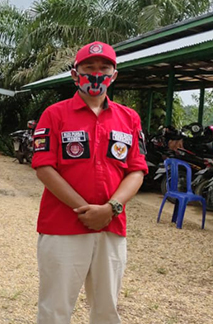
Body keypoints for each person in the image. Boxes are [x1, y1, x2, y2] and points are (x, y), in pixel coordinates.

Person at [31, 41, 147, 324]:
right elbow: (44, 167)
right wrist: (86, 210)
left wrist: (111, 209)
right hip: (62, 226)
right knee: (55, 309)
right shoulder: (54, 114)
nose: (96, 74)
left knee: (107, 309)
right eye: (89, 68)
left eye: (104, 68)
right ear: (75, 74)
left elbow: (137, 170)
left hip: (111, 227)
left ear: (114, 74)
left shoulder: (129, 118)